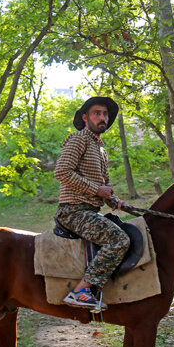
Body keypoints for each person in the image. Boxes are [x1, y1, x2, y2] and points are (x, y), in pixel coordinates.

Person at [53, 96, 130, 310]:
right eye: (97, 113)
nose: (102, 117)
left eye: (105, 114)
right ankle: (81, 290)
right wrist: (97, 190)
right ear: (85, 117)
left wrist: (116, 201)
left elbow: (104, 185)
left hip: (91, 211)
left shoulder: (101, 149)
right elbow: (61, 172)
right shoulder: (79, 139)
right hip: (73, 211)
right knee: (119, 240)